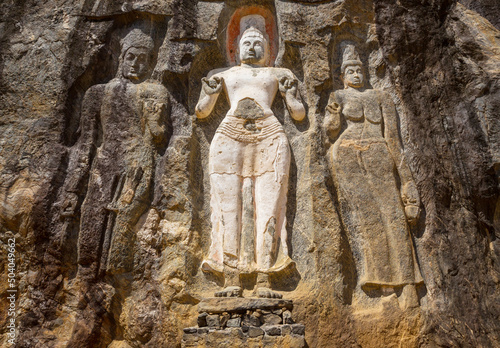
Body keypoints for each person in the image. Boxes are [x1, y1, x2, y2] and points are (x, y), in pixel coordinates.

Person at [195, 15, 305, 298]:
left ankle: (265, 276)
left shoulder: (278, 74)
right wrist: (207, 94)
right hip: (230, 138)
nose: (253, 47)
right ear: (235, 50)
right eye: (247, 42)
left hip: (269, 138)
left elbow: (299, 113)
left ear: (269, 48)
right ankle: (230, 275)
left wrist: (292, 95)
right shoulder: (224, 75)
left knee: (269, 204)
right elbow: (202, 112)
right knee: (227, 205)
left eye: (259, 43)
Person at [60, 28, 169, 282]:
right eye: (131, 57)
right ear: (121, 58)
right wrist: (72, 188)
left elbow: (157, 137)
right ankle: (87, 275)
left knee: (124, 221)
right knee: (93, 215)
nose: (136, 64)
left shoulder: (155, 92)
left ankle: (118, 280)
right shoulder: (97, 93)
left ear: (152, 62)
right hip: (105, 161)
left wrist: (154, 121)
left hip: (138, 164)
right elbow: (86, 141)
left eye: (143, 59)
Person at [324, 45, 423, 310]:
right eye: (350, 71)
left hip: (379, 154)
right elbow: (331, 131)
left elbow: (393, 137)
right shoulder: (338, 96)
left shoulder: (381, 97)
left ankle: (408, 282)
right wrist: (333, 113)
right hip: (346, 157)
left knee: (393, 215)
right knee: (367, 222)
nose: (356, 75)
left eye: (359, 70)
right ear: (342, 75)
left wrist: (407, 178)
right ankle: (383, 284)